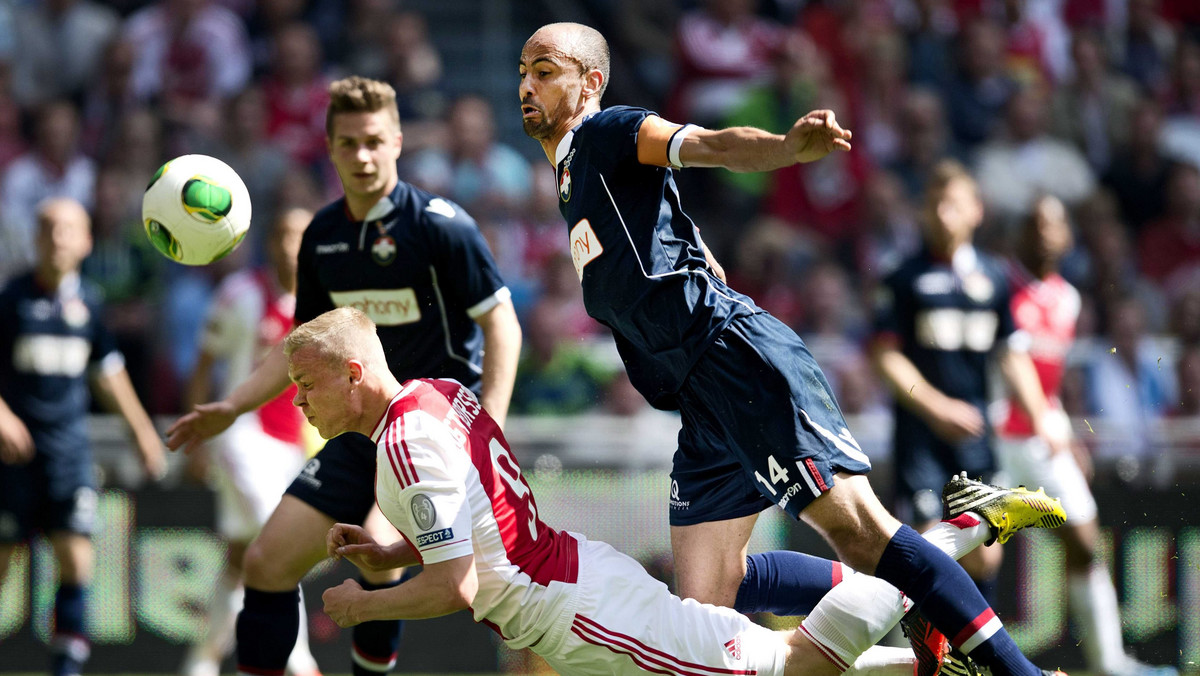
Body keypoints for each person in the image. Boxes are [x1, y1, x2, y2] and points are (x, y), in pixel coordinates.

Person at [517, 22, 1062, 676]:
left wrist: (783, 148)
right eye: (523, 71)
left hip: (735, 363)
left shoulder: (609, 133)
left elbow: (711, 145)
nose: (527, 85)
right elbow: (694, 256)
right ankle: (922, 607)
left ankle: (1010, 656)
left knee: (861, 533)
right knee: (704, 609)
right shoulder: (577, 176)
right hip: (701, 398)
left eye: (545, 71)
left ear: (591, 82)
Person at [288, 307, 1057, 676]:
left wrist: (369, 601)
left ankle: (959, 529)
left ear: (352, 374)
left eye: (304, 383)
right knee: (780, 660)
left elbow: (457, 586)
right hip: (571, 583)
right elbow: (474, 521)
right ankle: (941, 666)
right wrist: (392, 547)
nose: (297, 401)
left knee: (795, 667)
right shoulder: (437, 393)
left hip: (570, 609)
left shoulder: (406, 440)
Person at [166, 76, 522, 676]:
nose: (362, 155)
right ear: (329, 147)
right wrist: (234, 405)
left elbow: (503, 325)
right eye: (349, 143)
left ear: (399, 142)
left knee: (379, 562)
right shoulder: (323, 238)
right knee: (264, 565)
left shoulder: (442, 227)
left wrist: (487, 428)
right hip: (356, 434)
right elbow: (298, 345)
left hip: (429, 438)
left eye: (374, 141)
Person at [996, 195, 1177, 676]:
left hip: (1040, 440)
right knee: (970, 558)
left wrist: (1064, 432)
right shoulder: (999, 286)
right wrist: (1044, 418)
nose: (1042, 233)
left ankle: (1109, 664)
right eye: (1033, 224)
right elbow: (1008, 361)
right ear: (1019, 235)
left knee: (1084, 540)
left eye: (1052, 224)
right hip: (994, 438)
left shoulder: (1068, 300)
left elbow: (1047, 379)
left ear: (1066, 237)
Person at [870, 160, 1064, 601]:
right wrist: (937, 408)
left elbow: (1011, 355)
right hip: (920, 437)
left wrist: (1043, 416)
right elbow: (885, 357)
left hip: (975, 439)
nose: (943, 215)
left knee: (985, 555)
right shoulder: (902, 276)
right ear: (922, 211)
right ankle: (929, 660)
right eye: (935, 205)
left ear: (977, 210)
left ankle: (973, 658)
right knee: (925, 551)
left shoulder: (995, 278)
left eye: (953, 205)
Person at [0, 198, 165, 676]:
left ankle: (66, 672)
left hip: (68, 454)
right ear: (35, 239)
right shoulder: (11, 300)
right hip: (12, 460)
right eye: (48, 229)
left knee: (76, 558)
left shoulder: (90, 303)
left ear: (87, 241)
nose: (57, 239)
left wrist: (143, 434)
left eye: (67, 230)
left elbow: (107, 374)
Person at [178, 208, 321, 676]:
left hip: (294, 446)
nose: (289, 245)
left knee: (243, 555)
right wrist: (198, 439)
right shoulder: (239, 294)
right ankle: (300, 661)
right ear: (268, 241)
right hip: (242, 437)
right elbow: (203, 367)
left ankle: (202, 658)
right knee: (281, 541)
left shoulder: (324, 305)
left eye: (299, 236)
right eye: (281, 234)